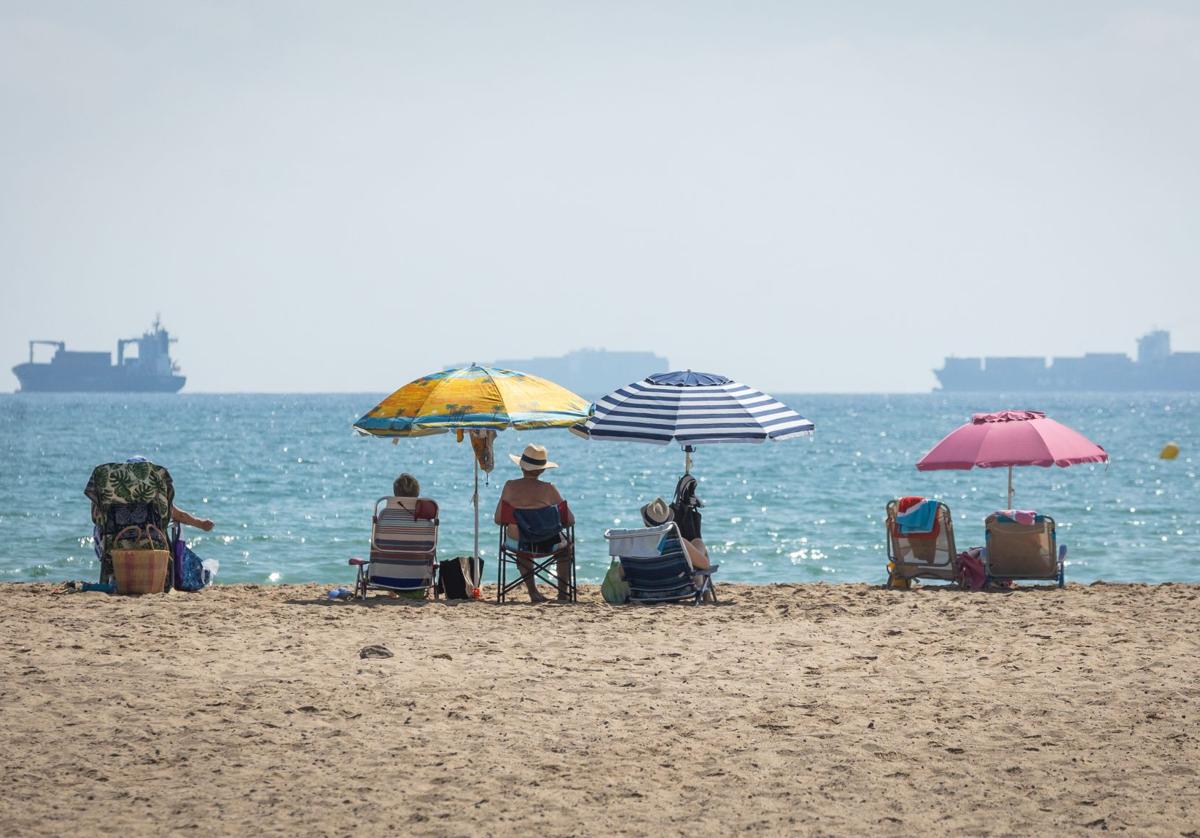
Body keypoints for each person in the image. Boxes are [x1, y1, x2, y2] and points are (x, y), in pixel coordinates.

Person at [494, 443, 574, 602]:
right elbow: (570, 520)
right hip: (547, 543)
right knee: (566, 549)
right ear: (543, 469)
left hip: (519, 545)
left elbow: (498, 519)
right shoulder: (549, 489)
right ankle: (563, 593)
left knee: (522, 543)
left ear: (521, 467)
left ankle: (533, 592)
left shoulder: (510, 486)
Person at [640, 496, 710, 570]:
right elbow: (705, 565)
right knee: (698, 542)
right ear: (668, 521)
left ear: (645, 521)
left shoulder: (635, 542)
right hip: (675, 580)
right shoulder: (678, 542)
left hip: (644, 580)